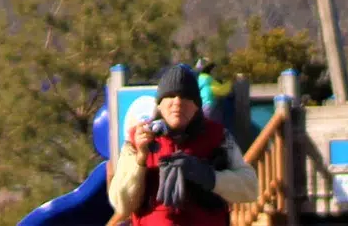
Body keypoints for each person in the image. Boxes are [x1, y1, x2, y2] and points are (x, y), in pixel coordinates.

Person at [108, 65, 258, 226]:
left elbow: (250, 188)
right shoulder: (138, 139)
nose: (178, 103)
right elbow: (122, 205)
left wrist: (210, 177)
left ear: (197, 106)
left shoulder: (219, 137)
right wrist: (141, 159)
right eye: (170, 96)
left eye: (186, 97)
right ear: (159, 104)